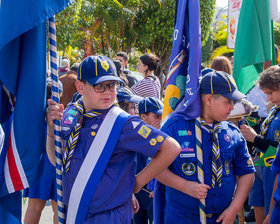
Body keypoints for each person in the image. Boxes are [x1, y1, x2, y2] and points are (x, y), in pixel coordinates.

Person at [46, 55, 181, 224]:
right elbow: (56, 161)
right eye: (100, 86)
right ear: (80, 87)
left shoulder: (123, 123)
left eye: (112, 85)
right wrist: (51, 130)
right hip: (75, 213)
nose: (108, 92)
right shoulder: (71, 115)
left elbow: (171, 148)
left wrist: (136, 183)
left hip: (109, 217)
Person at [155, 69, 255, 224]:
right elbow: (156, 169)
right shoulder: (174, 127)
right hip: (183, 218)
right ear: (209, 99)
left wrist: (234, 209)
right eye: (228, 102)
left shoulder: (232, 132)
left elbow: (247, 172)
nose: (232, 107)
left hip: (223, 217)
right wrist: (185, 186)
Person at [240, 65, 280, 224]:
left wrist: (255, 139)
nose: (268, 98)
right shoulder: (273, 111)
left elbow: (278, 149)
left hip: (274, 171)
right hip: (261, 167)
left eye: (271, 93)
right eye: (266, 94)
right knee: (258, 209)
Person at [24, 78, 62, 224]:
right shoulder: (59, 118)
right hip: (55, 165)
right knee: (58, 210)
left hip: (38, 165)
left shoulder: (32, 119)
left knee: (33, 208)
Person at [134, 97, 164, 224]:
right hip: (137, 193)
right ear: (143, 117)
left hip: (155, 193)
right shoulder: (133, 137)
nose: (159, 120)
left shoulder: (165, 138)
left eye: (161, 116)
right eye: (155, 116)